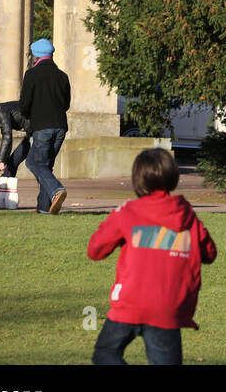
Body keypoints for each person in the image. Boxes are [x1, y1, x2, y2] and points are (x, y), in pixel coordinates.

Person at [87, 148, 217, 365]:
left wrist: (114, 218)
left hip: (130, 304)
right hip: (168, 308)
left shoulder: (128, 212)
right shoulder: (187, 216)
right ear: (173, 178)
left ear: (137, 180)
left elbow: (95, 250)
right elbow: (210, 253)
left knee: (105, 353)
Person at [19, 38, 71, 214]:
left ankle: (57, 189)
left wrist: (27, 116)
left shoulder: (31, 75)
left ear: (35, 56)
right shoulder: (62, 76)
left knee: (34, 163)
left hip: (42, 127)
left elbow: (24, 103)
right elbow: (66, 104)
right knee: (45, 166)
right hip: (60, 127)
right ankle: (43, 208)